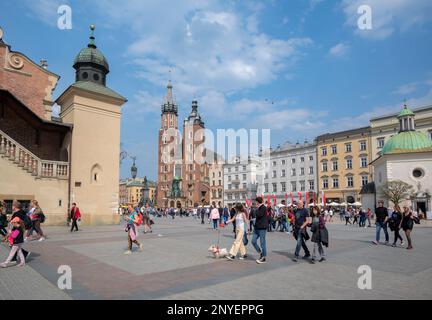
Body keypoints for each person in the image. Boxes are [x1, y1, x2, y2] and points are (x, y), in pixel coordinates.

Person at [251, 197, 268, 264]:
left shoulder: (263, 207)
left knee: (262, 243)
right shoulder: (259, 208)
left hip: (262, 228)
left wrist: (256, 209)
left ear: (258, 202)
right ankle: (260, 252)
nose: (255, 203)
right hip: (257, 227)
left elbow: (259, 214)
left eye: (255, 202)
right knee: (253, 241)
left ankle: (263, 257)